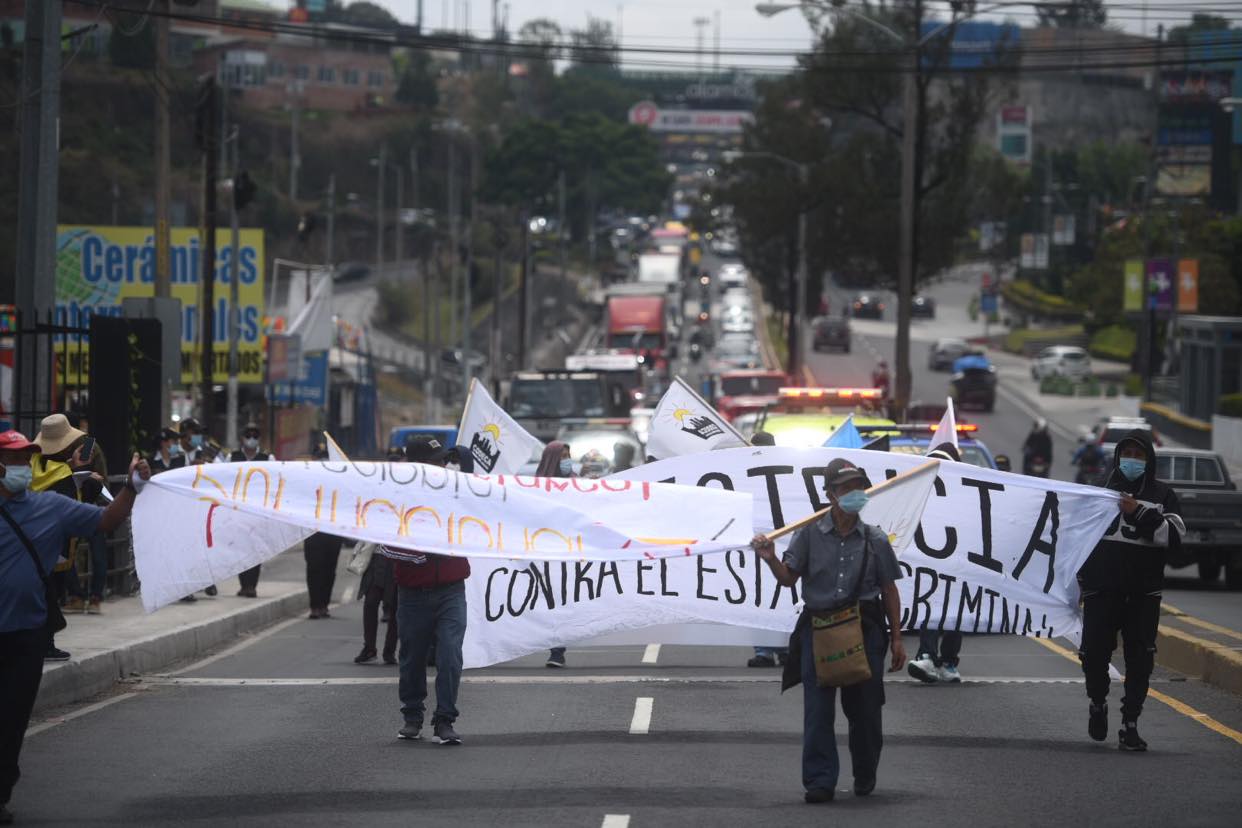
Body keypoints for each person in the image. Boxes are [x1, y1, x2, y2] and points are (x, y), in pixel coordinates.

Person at [0, 430, 152, 824]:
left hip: (28, 637)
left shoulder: (49, 506)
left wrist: (132, 487)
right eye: (12, 460)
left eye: (25, 461)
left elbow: (107, 519)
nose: (20, 468)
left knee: (13, 722)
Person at [751, 458, 907, 803]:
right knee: (818, 711)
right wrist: (771, 558)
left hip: (865, 630)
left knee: (865, 711)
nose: (855, 494)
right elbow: (788, 578)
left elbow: (889, 589)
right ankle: (820, 781)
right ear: (831, 494)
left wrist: (896, 639)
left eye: (859, 487)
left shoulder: (876, 540)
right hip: (819, 629)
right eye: (846, 488)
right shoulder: (807, 534)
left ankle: (865, 771)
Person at [1078, 430, 1183, 752]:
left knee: (1140, 661)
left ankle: (1130, 723)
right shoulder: (1098, 493)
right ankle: (1098, 703)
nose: (1132, 461)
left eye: (1139, 456)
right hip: (1101, 592)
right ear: (1117, 457)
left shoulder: (1163, 495)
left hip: (1142, 596)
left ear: (1149, 460)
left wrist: (1137, 511)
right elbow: (1077, 539)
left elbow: (1175, 539)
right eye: (1128, 454)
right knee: (1093, 655)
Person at [391, 436, 469, 745]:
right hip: (413, 595)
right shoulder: (396, 498)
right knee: (412, 658)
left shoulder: (456, 493)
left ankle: (445, 720)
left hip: (451, 591)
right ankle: (412, 716)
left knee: (450, 656)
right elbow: (387, 544)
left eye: (443, 462)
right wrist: (423, 552)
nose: (442, 467)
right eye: (436, 462)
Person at [908, 442, 965, 684]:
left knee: (957, 612)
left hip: (960, 564)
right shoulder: (920, 490)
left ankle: (949, 662)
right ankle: (927, 656)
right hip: (931, 563)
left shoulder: (965, 491)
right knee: (930, 607)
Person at [747, 430, 787, 669]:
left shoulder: (784, 471)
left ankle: (772, 651)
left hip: (777, 545)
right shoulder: (744, 472)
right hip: (759, 545)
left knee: (771, 598)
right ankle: (770, 650)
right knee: (763, 598)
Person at [536, 441, 574, 669]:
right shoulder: (535, 487)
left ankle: (557, 650)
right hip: (544, 554)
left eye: (568, 456)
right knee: (548, 602)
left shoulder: (577, 484)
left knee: (560, 602)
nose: (567, 461)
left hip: (569, 554)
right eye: (562, 457)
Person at [229, 423, 271, 598]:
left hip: (257, 510)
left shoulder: (268, 458)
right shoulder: (232, 457)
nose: (251, 439)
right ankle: (243, 584)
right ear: (242, 438)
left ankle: (251, 585)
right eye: (248, 435)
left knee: (254, 549)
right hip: (237, 510)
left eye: (255, 436)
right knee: (240, 548)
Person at [354, 540, 397, 663]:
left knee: (395, 607)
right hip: (376, 557)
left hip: (396, 558)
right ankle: (369, 648)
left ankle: (390, 651)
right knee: (370, 604)